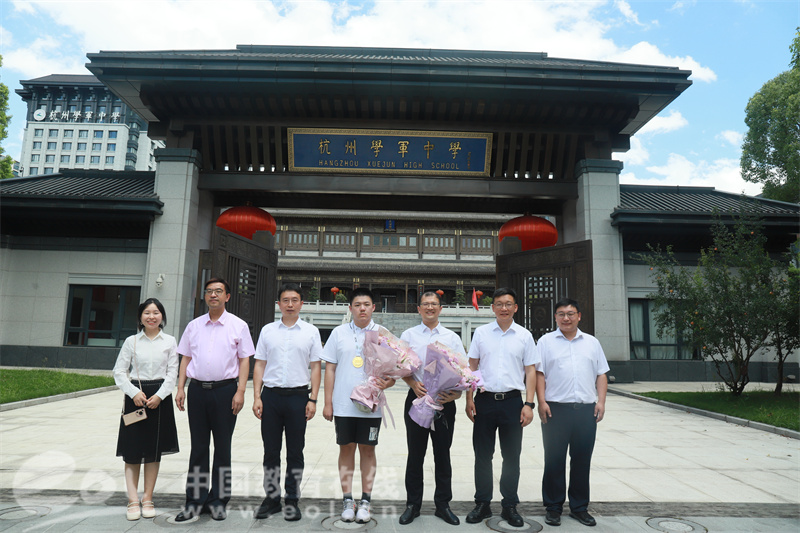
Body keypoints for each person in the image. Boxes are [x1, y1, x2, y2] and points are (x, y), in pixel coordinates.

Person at [173, 278, 254, 522]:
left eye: (219, 291)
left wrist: (241, 391)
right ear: (205, 296)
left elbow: (245, 360)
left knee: (222, 448)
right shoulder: (194, 326)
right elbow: (186, 358)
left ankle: (218, 500)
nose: (213, 295)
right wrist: (180, 388)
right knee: (198, 448)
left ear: (227, 296)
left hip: (225, 391)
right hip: (197, 391)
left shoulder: (238, 326)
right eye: (209, 291)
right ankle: (194, 502)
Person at [464, 287, 538, 528]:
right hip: (484, 401)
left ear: (515, 307)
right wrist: (469, 398)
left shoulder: (524, 335)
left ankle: (509, 505)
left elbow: (530, 371)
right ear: (492, 307)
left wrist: (529, 404)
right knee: (482, 455)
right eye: (499, 304)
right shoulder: (482, 333)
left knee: (511, 456)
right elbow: (472, 366)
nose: (503, 308)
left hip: (512, 403)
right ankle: (482, 503)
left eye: (508, 304)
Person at [321, 287, 395, 524]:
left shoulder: (383, 334)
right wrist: (328, 402)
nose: (362, 309)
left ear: (373, 307)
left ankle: (365, 501)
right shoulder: (339, 333)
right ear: (350, 308)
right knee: (346, 449)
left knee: (368, 450)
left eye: (366, 305)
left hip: (370, 405)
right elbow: (330, 368)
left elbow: (394, 371)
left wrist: (389, 382)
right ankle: (347, 500)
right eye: (357, 305)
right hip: (344, 404)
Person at [536, 298, 608, 528]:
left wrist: (601, 402)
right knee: (554, 460)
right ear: (555, 317)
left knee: (582, 460)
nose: (566, 318)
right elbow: (539, 374)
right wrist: (541, 402)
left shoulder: (592, 343)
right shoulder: (545, 342)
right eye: (561, 314)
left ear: (579, 316)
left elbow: (601, 374)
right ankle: (553, 507)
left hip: (586, 410)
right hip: (555, 410)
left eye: (570, 314)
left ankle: (579, 507)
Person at [252, 283, 322, 521]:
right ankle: (272, 498)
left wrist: (313, 399)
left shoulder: (311, 332)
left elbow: (316, 367)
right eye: (285, 300)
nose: (290, 304)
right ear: (278, 304)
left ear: (301, 303)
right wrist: (257, 396)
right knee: (271, 451)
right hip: (270, 397)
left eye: (294, 300)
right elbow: (260, 364)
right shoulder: (268, 331)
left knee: (295, 451)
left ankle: (292, 499)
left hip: (298, 398)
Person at [398, 291, 464, 526]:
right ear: (419, 309)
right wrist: (412, 383)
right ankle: (412, 505)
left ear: (440, 308)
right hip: (418, 399)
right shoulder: (409, 335)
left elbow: (463, 370)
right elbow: (401, 366)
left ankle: (443, 505)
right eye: (425, 304)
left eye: (434, 304)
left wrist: (456, 394)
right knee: (415, 454)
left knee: (442, 454)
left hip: (444, 403)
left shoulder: (451, 338)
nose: (429, 308)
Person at [114, 298, 179, 521]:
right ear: (140, 317)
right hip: (136, 397)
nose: (152, 317)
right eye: (147, 313)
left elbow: (172, 373)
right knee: (132, 451)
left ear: (162, 316)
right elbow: (119, 371)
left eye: (156, 312)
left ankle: (148, 498)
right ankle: (133, 500)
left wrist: (160, 396)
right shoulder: (131, 341)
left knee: (153, 451)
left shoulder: (170, 341)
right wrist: (134, 393)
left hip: (160, 398)